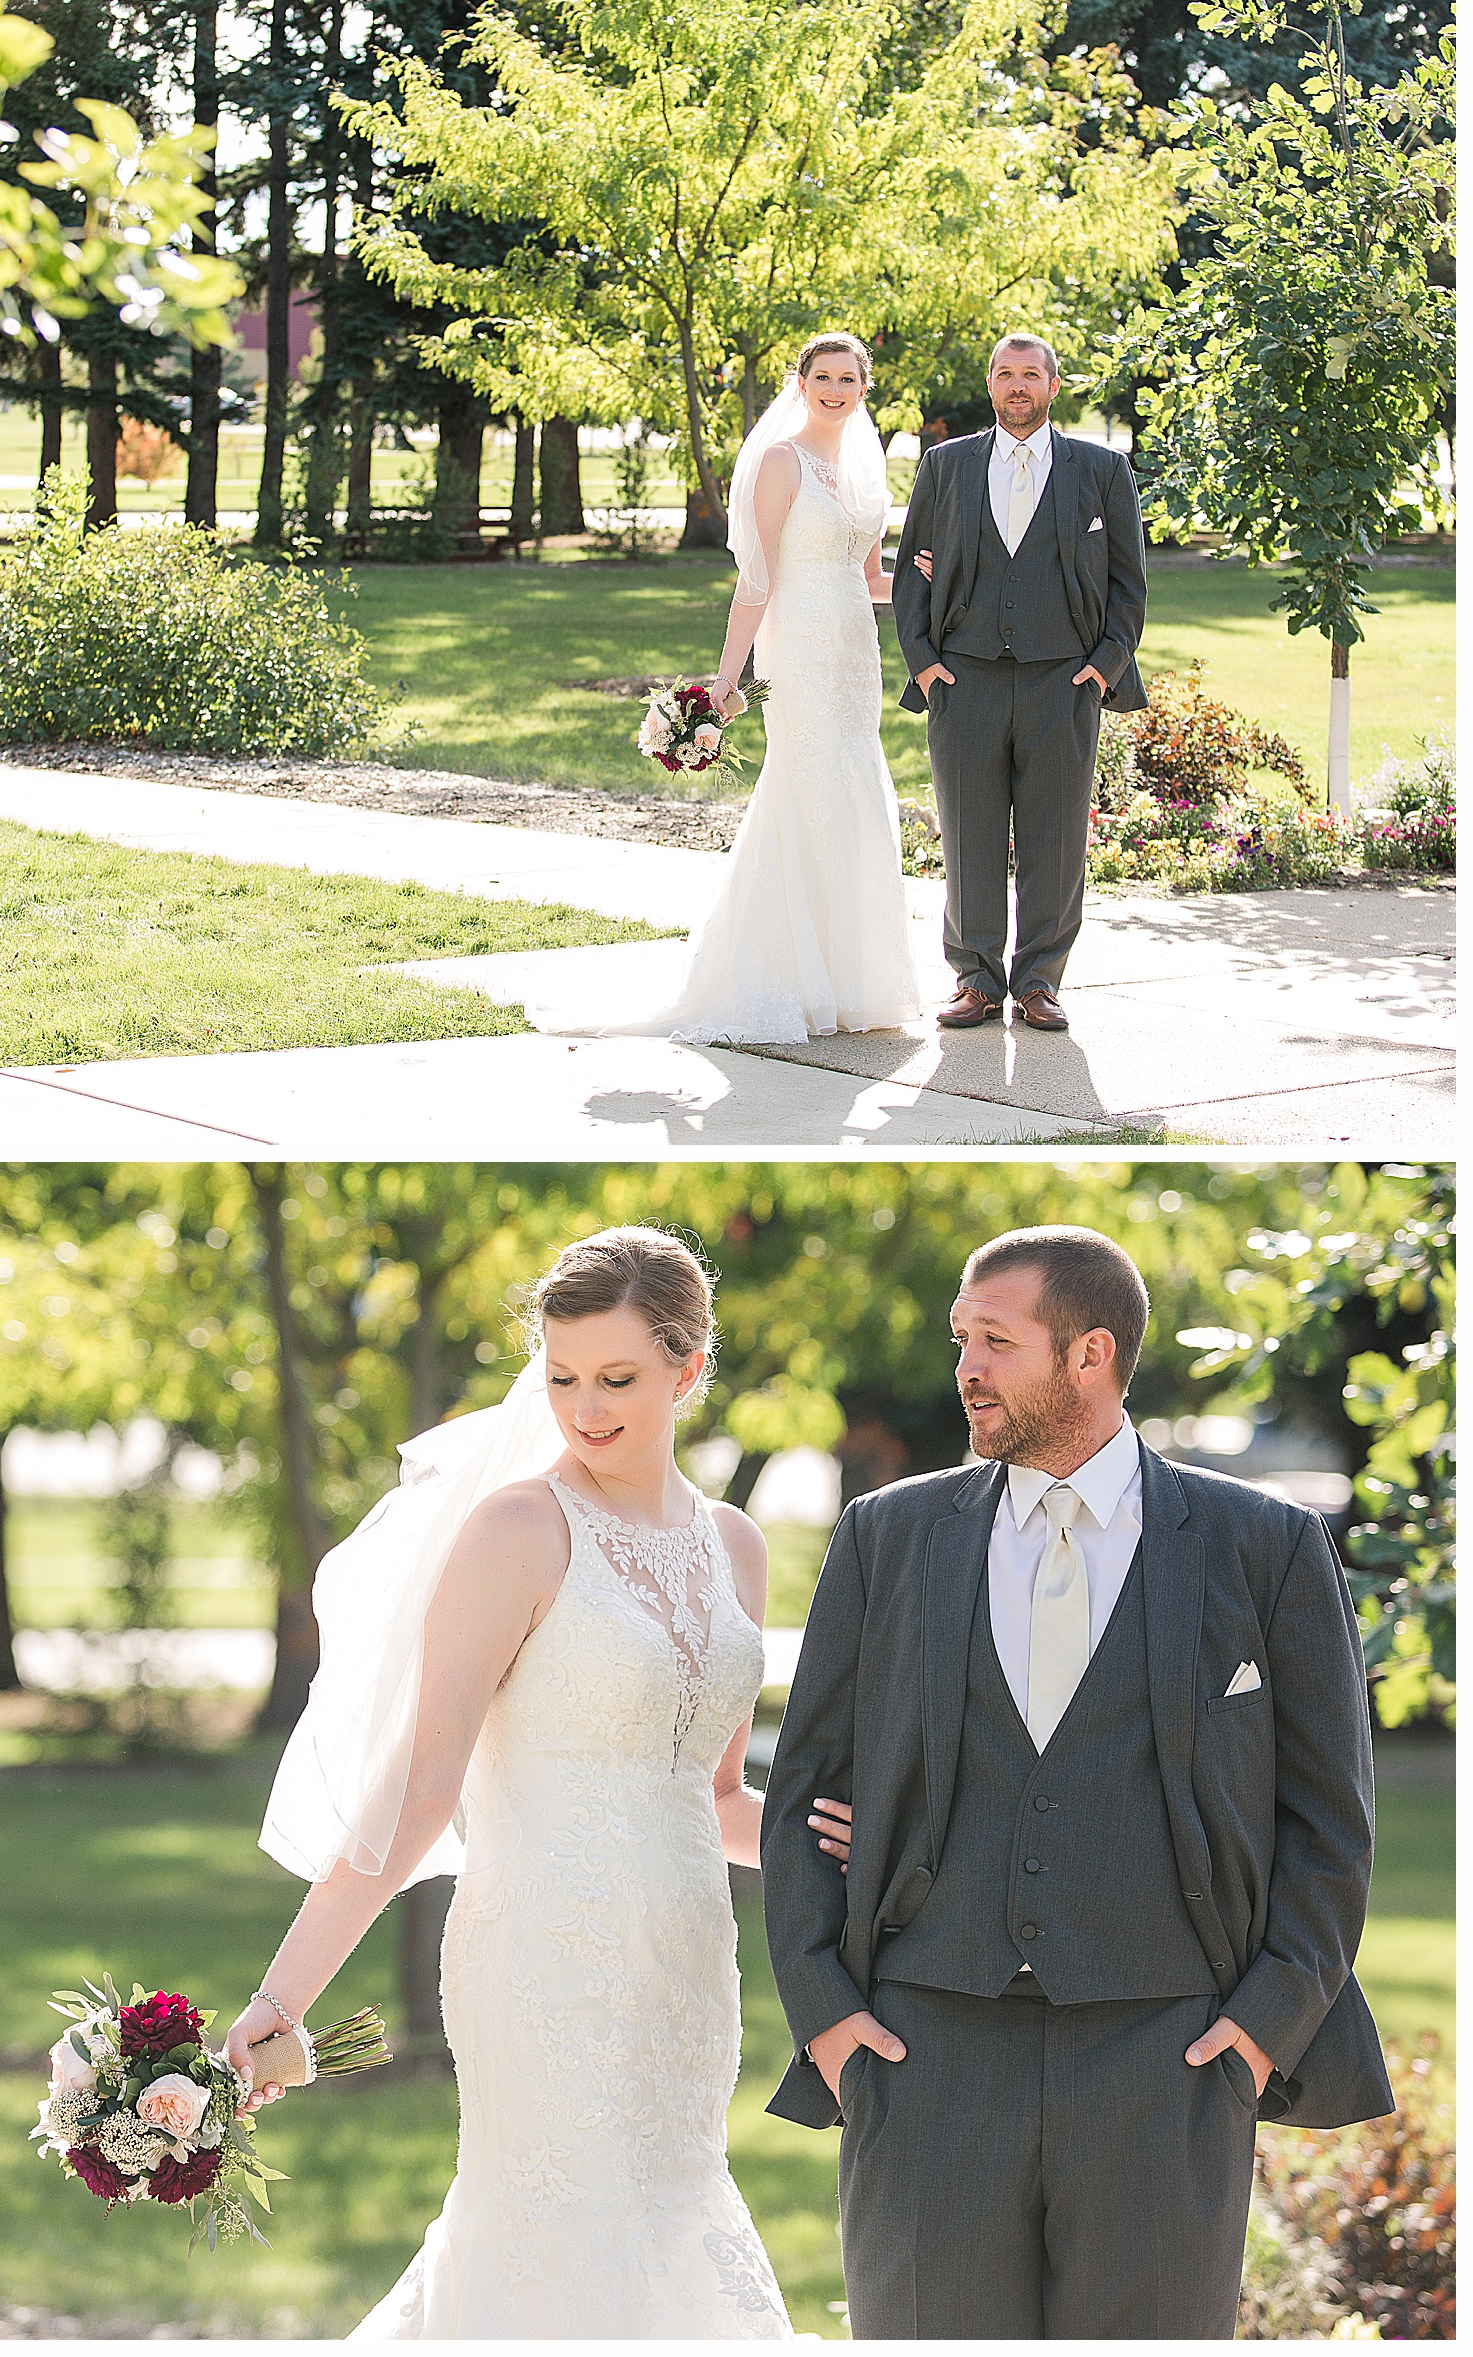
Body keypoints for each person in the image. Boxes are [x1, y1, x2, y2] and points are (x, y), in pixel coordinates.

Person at [761, 1223, 1393, 2340]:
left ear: (1090, 1354)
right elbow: (806, 1787)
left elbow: (1329, 1822)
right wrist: (827, 2014)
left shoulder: (1266, 1545)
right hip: (922, 2055)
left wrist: (1258, 2030)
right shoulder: (886, 1537)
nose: (965, 1368)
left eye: (995, 1341)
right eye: (963, 1338)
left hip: (1171, 2059)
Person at [226, 1226, 844, 2338]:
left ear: (689, 1368)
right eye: (560, 1377)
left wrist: (845, 1842)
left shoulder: (735, 1547)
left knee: (665, 2239)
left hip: (687, 1972)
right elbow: (418, 1796)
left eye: (617, 1379)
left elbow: (712, 1800)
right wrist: (281, 1999)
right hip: (542, 1966)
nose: (584, 1407)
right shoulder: (517, 1529)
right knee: (549, 2254)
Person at [526, 334, 921, 1045]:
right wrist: (727, 681)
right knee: (806, 785)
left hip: (854, 652)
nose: (835, 389)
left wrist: (941, 579)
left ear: (867, 386)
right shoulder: (780, 460)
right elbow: (756, 581)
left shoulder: (866, 471)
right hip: (795, 647)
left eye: (848, 378)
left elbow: (870, 581)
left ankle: (850, 981)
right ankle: (780, 979)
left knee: (855, 783)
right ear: (800, 384)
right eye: (822, 377)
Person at [891, 335, 1149, 1034]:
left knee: (1057, 840)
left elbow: (1129, 584)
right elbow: (910, 573)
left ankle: (1039, 981)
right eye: (1005, 373)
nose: (1016, 385)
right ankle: (975, 979)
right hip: (964, 680)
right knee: (969, 835)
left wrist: (1105, 665)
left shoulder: (1100, 469)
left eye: (1030, 374)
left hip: (1063, 682)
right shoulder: (946, 466)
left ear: (1053, 385)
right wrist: (922, 661)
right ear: (990, 382)